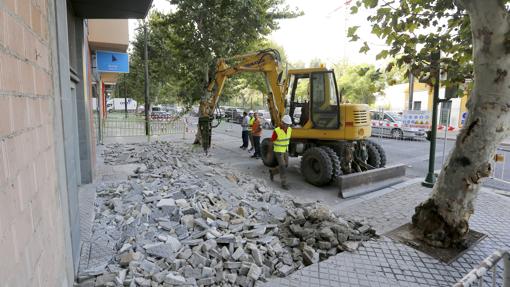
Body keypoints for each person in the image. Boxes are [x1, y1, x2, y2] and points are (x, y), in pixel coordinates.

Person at [269, 115, 293, 190]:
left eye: (288, 124)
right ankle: (284, 183)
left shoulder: (289, 129)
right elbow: (271, 142)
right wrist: (269, 153)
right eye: (286, 124)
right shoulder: (277, 131)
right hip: (278, 150)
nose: (287, 126)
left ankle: (272, 172)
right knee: (282, 166)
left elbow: (287, 139)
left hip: (285, 149)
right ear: (282, 123)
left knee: (286, 165)